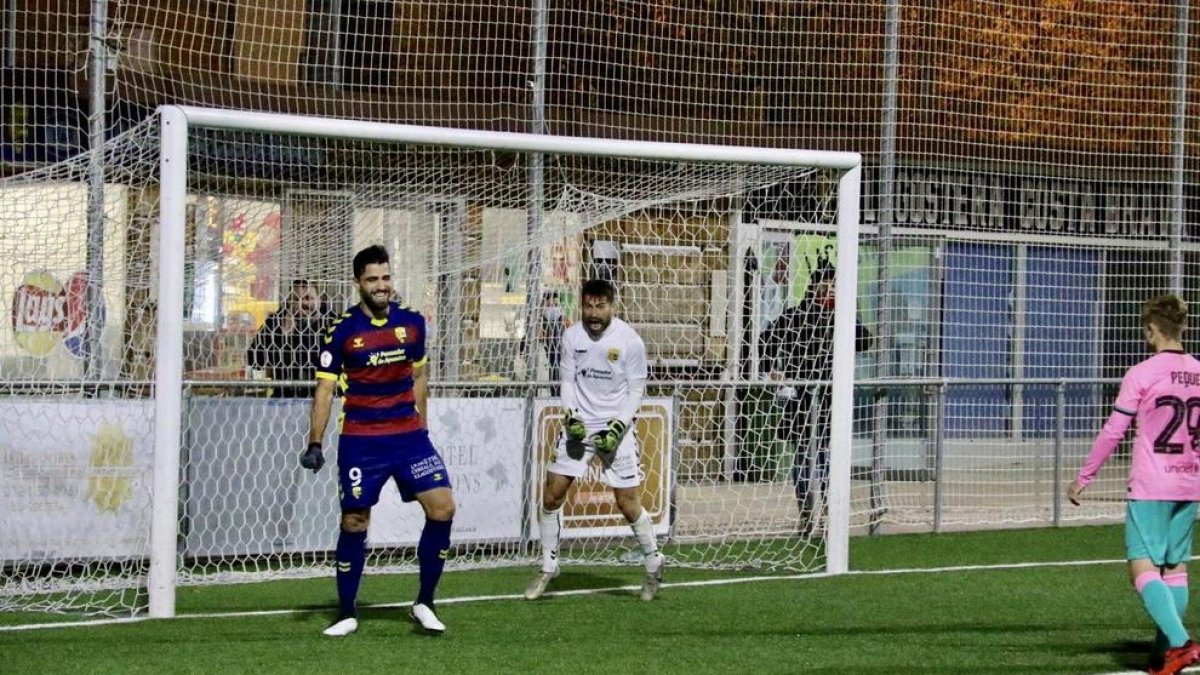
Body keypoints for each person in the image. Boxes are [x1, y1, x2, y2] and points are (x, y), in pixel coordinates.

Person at [302, 244, 456, 637]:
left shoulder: (413, 323)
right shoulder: (342, 331)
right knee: (355, 520)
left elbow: (419, 377)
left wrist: (422, 426)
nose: (381, 285)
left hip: (408, 437)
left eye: (386, 277)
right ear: (359, 283)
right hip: (362, 440)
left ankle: (425, 602)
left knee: (443, 507)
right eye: (373, 279)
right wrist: (315, 442)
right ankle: (347, 611)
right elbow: (324, 390)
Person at [1068, 294, 1200, 675]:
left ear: (1152, 329)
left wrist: (1084, 476)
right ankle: (1164, 656)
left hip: (1152, 483)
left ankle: (1180, 644)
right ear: (1183, 328)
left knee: (1141, 568)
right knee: (1174, 569)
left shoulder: (1142, 372)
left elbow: (1114, 431)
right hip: (1189, 483)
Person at [525, 278, 665, 602]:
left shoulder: (630, 342)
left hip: (617, 427)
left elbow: (636, 391)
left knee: (627, 503)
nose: (593, 313)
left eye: (600, 306)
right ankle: (548, 565)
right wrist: (571, 415)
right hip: (580, 424)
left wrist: (617, 426)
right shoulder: (571, 336)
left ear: (612, 307)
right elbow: (567, 381)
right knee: (551, 493)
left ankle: (653, 560)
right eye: (588, 305)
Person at [759, 252, 872, 533]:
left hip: (833, 398)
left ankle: (829, 508)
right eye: (824, 282)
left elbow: (865, 341)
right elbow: (765, 341)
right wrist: (773, 371)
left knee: (826, 454)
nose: (829, 288)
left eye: (834, 283)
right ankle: (807, 511)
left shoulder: (843, 317)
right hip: (802, 397)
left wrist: (849, 310)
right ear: (814, 285)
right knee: (804, 456)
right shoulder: (797, 315)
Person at [247, 279, 331, 398]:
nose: (304, 304)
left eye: (308, 298)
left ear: (319, 301)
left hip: (324, 398)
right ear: (289, 302)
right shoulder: (275, 322)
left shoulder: (333, 322)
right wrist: (283, 336)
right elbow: (254, 359)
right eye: (297, 299)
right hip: (284, 398)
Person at [539, 290, 566, 384]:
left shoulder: (566, 331)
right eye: (548, 305)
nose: (552, 308)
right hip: (541, 388)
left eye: (556, 305)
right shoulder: (535, 329)